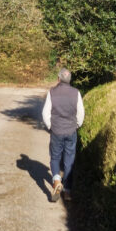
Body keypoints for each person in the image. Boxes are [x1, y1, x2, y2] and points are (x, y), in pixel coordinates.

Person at [42, 67, 85, 202]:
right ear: (70, 79)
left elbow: (45, 113)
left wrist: (50, 126)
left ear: (58, 79)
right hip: (71, 131)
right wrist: (76, 125)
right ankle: (67, 191)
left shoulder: (52, 93)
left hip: (56, 131)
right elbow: (80, 114)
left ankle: (56, 181)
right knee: (69, 160)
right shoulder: (76, 93)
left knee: (55, 157)